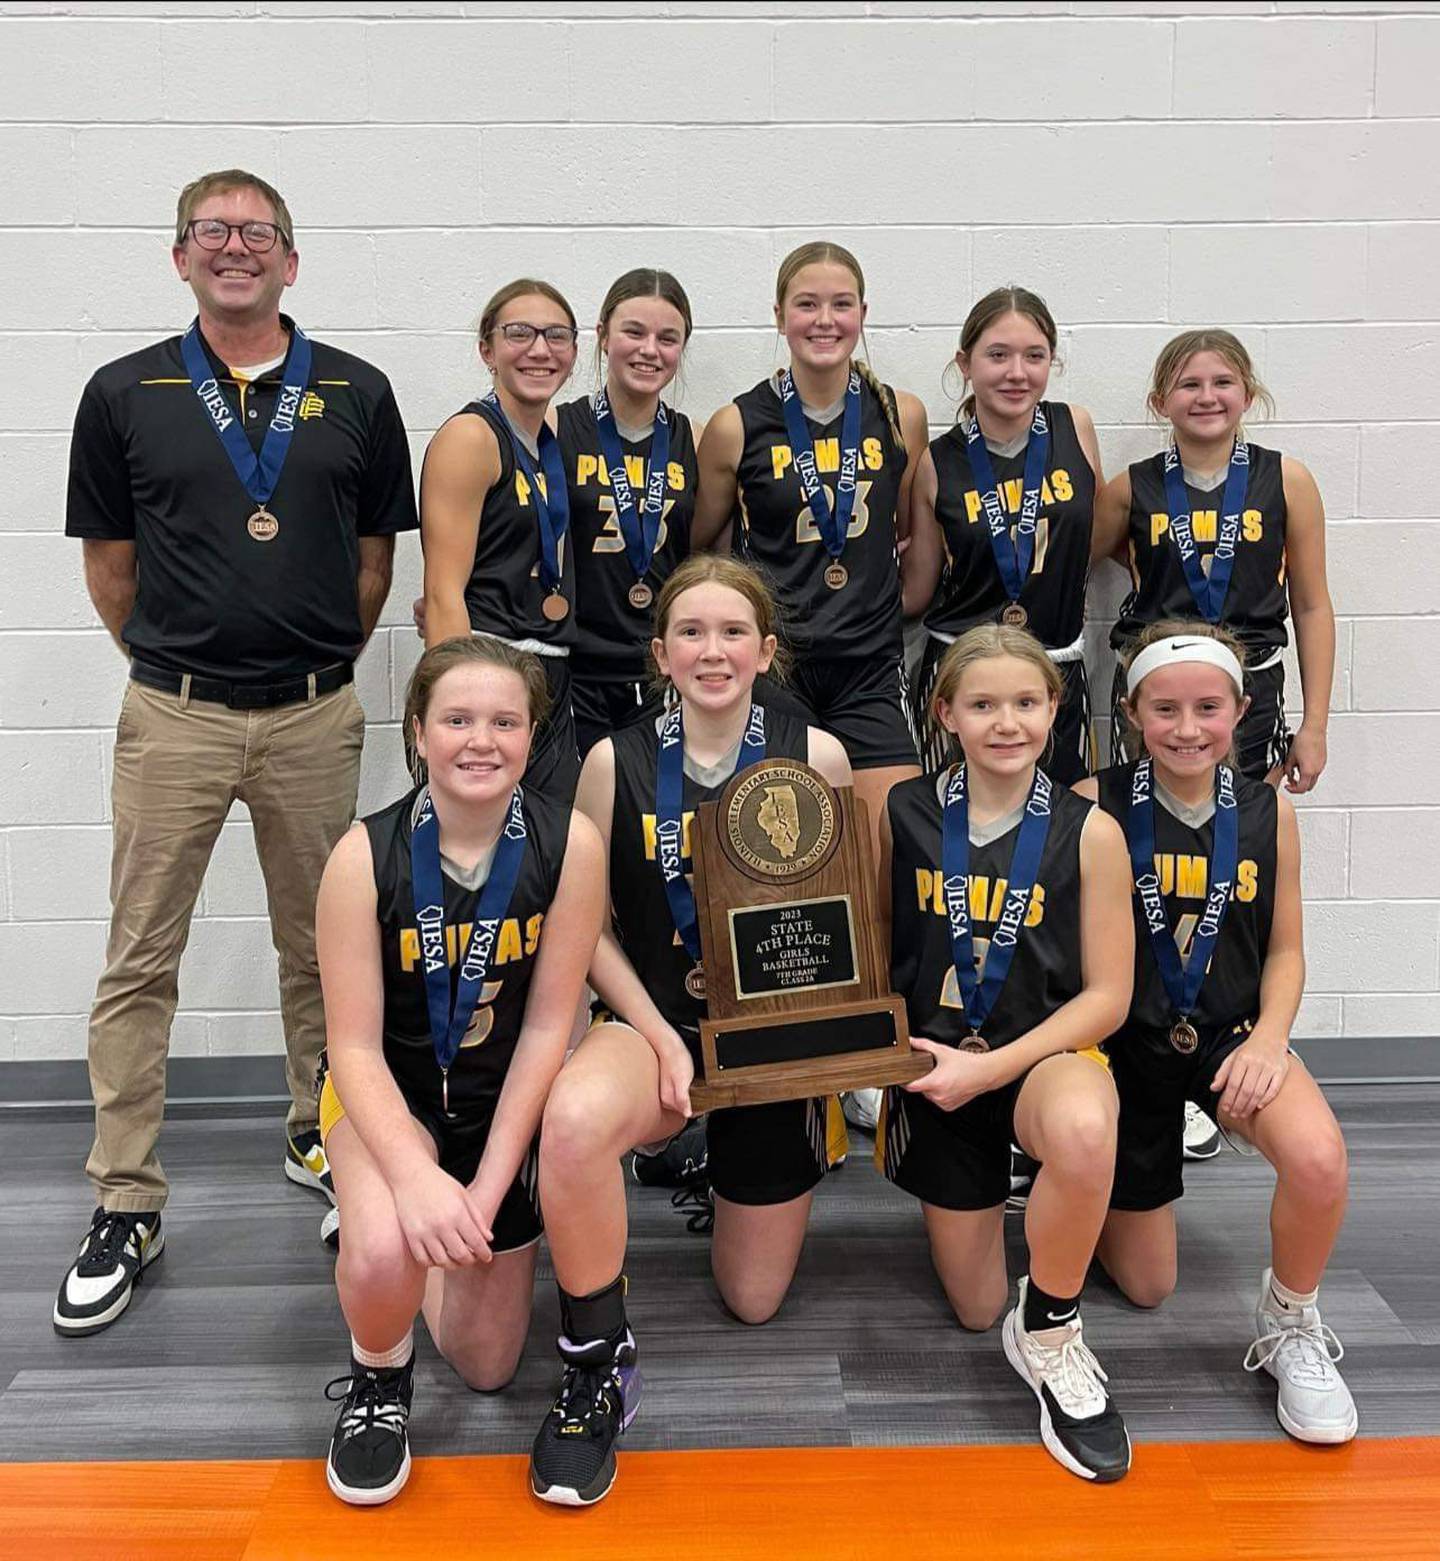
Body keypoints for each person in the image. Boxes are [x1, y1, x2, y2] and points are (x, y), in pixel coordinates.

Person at [54, 168, 416, 1338]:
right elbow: (110, 565)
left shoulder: (359, 392)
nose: (235, 247)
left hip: (314, 713)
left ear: (292, 262)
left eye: (257, 232)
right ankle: (125, 1197)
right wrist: (181, 661)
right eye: (211, 231)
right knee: (138, 955)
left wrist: (316, 657)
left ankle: (324, 1138)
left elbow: (373, 561)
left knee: (326, 951)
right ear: (179, 258)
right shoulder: (123, 392)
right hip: (176, 712)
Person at [529, 555, 852, 1506]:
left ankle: (725, 1158)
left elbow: (844, 921)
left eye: (734, 632)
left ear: (765, 649)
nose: (714, 651)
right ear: (661, 653)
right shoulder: (609, 760)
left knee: (753, 1303)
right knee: (577, 1122)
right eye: (693, 634)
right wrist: (658, 1030)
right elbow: (583, 927)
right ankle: (594, 1357)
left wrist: (808, 1031)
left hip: (770, 1037)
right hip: (654, 1017)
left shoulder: (818, 754)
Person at [316, 636, 604, 1505]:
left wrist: (479, 1191)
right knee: (378, 1255)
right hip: (388, 1100)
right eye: (457, 719)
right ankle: (379, 1375)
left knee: (486, 1366)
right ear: (418, 732)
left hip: (497, 1108)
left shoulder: (571, 843)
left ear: (530, 734)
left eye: (505, 721)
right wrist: (410, 1175)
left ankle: (433, 1240)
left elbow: (554, 1022)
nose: (481, 739)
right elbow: (353, 1048)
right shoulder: (361, 857)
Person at [1081, 622, 1356, 1446]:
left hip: (1234, 1031)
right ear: (1132, 712)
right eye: (1165, 708)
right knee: (1148, 1285)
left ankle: (1292, 1319)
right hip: (1128, 1048)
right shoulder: (1092, 803)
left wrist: (1272, 1039)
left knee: (1319, 1158)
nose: (1188, 727)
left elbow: (1286, 950)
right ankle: (1089, 1192)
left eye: (1208, 706)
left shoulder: (1268, 813)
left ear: (1241, 709)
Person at [879, 624, 1135, 1482]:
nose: (1006, 722)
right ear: (945, 712)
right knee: (975, 1306)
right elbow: (874, 949)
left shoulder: (1090, 830)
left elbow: (1109, 997)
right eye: (982, 704)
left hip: (1035, 1058)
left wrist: (995, 1066)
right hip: (936, 1073)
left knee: (1085, 1125)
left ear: (1055, 710)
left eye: (1026, 702)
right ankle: (1035, 1223)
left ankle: (1054, 1326)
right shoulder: (906, 811)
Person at [692, 240, 929, 865]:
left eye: (841, 304)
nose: (825, 320)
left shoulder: (900, 414)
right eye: (807, 304)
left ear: (862, 313)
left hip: (869, 668)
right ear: (779, 315)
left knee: (889, 853)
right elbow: (704, 546)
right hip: (775, 670)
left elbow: (899, 528)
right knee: (781, 859)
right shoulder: (735, 425)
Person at [1093, 329, 1335, 792]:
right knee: (1146, 832)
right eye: (1189, 385)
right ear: (1160, 401)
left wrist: (1315, 726)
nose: (1207, 397)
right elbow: (1071, 566)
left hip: (1251, 688)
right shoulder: (1130, 488)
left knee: (1246, 830)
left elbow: (1311, 605)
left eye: (1222, 382)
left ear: (1247, 393)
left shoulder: (1288, 481)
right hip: (1157, 688)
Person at [902, 286, 1104, 784]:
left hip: (1056, 667)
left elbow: (1092, 543)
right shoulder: (937, 462)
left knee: (1064, 832)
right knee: (965, 840)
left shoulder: (1074, 427)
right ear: (965, 362)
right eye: (998, 355)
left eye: (1034, 356)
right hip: (965, 673)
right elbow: (918, 590)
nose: (1017, 372)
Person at [420, 279, 583, 800]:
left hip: (549, 674)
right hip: (492, 673)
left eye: (556, 335)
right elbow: (444, 593)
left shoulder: (546, 442)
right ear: (487, 350)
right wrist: (464, 717)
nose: (540, 349)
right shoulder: (471, 437)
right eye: (520, 333)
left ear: (575, 353)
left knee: (545, 852)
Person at [560, 268, 700, 758]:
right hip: (577, 670)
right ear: (602, 336)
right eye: (634, 332)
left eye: (667, 338)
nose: (649, 350)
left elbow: (706, 556)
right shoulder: (558, 430)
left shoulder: (695, 439)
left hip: (660, 672)